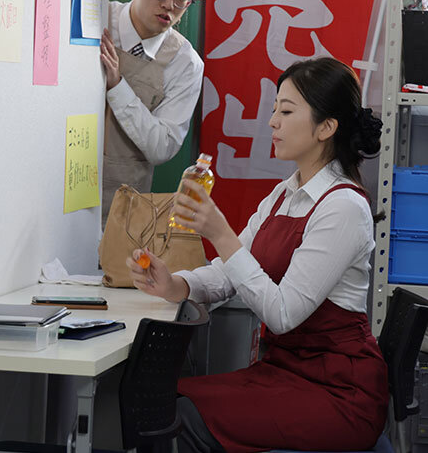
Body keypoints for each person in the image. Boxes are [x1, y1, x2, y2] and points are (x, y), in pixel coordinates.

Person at [126, 57, 389, 452]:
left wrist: (221, 234)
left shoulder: (343, 207)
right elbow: (228, 274)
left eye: (286, 111)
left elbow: (282, 314)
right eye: (274, 109)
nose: (272, 122)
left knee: (181, 415)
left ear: (326, 127)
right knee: (169, 398)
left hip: (339, 393)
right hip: (286, 373)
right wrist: (176, 284)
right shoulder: (284, 194)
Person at [99, 0, 208, 227]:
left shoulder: (185, 63)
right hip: (58, 189)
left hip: (123, 211)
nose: (170, 5)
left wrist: (117, 87)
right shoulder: (96, 21)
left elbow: (162, 147)